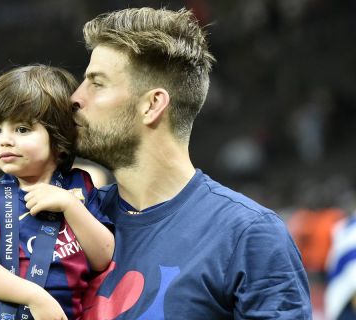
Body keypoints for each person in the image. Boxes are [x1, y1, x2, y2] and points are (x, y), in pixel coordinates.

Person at [44, 7, 311, 319]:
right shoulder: (70, 220)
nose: (75, 97)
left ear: (152, 105)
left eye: (97, 83)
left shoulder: (246, 237)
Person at [0, 64, 114, 320]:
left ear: (59, 141)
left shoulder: (79, 187)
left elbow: (103, 258)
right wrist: (34, 297)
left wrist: (71, 206)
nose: (4, 139)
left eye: (22, 129)